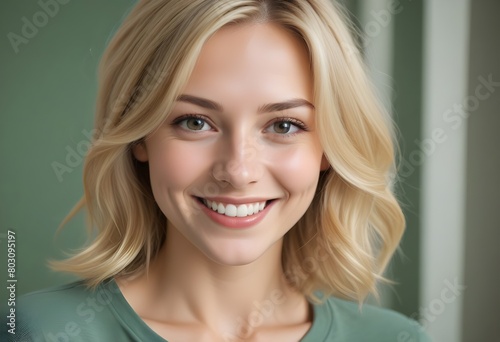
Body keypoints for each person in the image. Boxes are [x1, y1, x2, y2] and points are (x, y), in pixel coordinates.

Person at [3, 0, 431, 341]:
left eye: (284, 125)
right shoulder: (39, 331)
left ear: (330, 149)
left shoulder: (397, 338)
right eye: (194, 122)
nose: (238, 170)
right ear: (138, 136)